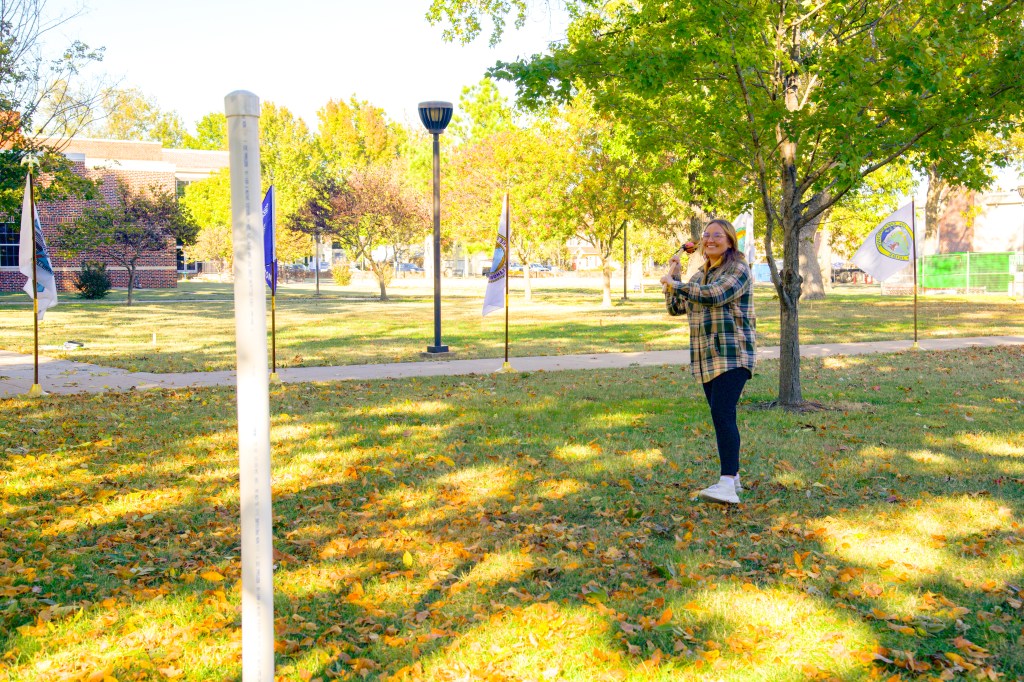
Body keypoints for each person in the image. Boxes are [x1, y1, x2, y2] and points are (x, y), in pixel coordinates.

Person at [660, 219, 756, 504]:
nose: (710, 239)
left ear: (729, 241)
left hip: (732, 353)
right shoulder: (699, 274)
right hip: (706, 357)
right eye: (706, 235)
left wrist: (678, 284)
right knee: (720, 415)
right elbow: (676, 308)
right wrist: (673, 276)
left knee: (722, 413)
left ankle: (726, 484)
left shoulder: (738, 268)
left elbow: (717, 295)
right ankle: (734, 477)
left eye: (717, 235)